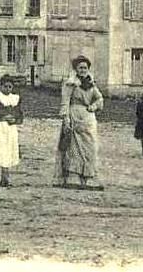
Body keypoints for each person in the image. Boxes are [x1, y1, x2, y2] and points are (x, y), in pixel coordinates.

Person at [54, 55, 104, 190]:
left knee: (90, 146)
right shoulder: (70, 82)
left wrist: (93, 106)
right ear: (75, 69)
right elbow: (65, 102)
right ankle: (73, 175)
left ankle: (88, 176)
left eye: (85, 68)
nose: (83, 70)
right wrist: (66, 118)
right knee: (73, 147)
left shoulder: (92, 83)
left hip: (88, 118)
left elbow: (100, 99)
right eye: (80, 67)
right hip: (74, 115)